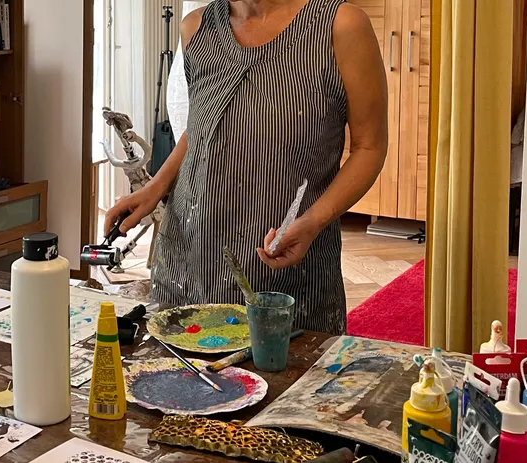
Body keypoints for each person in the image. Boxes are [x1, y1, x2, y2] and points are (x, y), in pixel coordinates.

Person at [105, 0, 388, 334]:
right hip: (190, 255)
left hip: (284, 263)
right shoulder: (195, 28)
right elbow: (201, 127)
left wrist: (314, 221)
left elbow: (369, 147)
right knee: (184, 359)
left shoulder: (341, 26)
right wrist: (156, 187)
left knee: (286, 364)